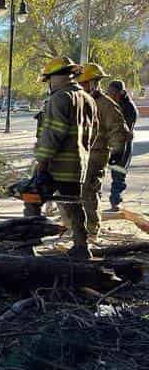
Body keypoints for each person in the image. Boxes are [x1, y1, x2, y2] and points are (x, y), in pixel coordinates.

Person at [32, 56, 98, 259]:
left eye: (49, 80)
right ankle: (81, 245)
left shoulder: (59, 98)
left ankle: (28, 243)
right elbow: (93, 134)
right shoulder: (88, 99)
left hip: (56, 165)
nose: (49, 84)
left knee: (31, 198)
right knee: (74, 203)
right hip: (78, 165)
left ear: (56, 78)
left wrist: (41, 167)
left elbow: (53, 135)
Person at [76, 63, 127, 240]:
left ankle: (91, 230)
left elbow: (119, 131)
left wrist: (116, 153)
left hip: (97, 154)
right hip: (80, 153)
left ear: (93, 83)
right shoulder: (79, 101)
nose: (80, 86)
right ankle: (79, 227)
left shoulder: (105, 105)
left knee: (88, 191)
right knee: (75, 192)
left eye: (83, 83)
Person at [106, 79, 138, 210]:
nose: (111, 96)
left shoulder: (129, 108)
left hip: (123, 144)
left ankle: (115, 201)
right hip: (109, 143)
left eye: (113, 93)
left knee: (119, 172)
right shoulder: (109, 104)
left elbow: (124, 132)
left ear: (121, 92)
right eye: (109, 93)